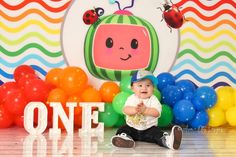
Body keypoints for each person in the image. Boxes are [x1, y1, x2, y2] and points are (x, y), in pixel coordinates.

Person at [111, 69, 182, 150]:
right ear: (132, 88)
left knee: (158, 133)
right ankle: (126, 140)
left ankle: (168, 141)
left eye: (148, 85)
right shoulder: (131, 98)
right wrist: (135, 110)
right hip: (132, 128)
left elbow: (157, 113)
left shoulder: (153, 99)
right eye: (140, 85)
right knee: (122, 129)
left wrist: (145, 110)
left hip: (149, 129)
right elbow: (125, 110)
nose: (144, 88)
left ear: (153, 88)